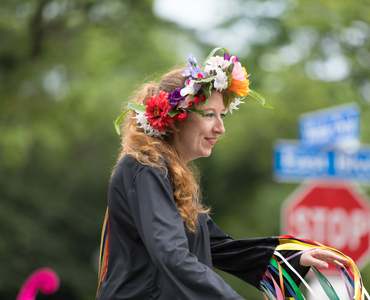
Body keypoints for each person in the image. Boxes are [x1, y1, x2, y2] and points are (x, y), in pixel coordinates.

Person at [96, 48, 349, 300]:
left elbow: (217, 246)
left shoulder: (170, 172)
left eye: (222, 116)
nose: (221, 128)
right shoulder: (146, 166)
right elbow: (172, 256)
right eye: (209, 115)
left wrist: (288, 259)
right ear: (177, 117)